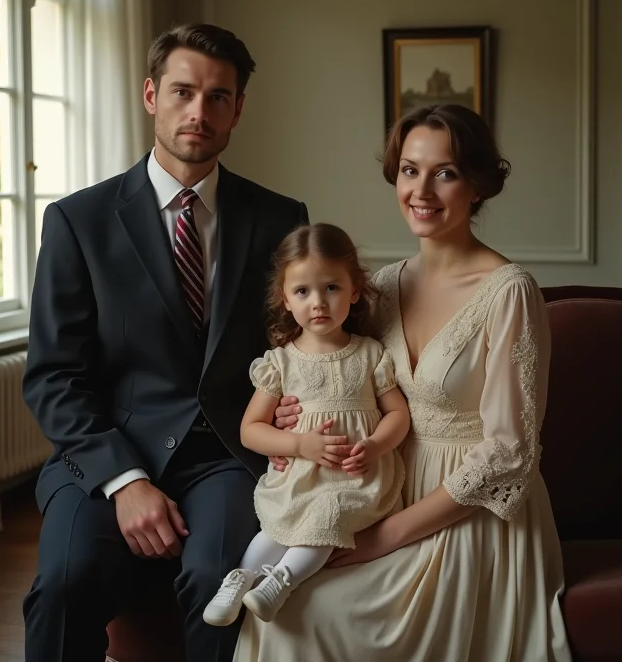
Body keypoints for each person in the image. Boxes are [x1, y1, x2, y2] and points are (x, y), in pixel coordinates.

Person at [236, 104, 572, 661]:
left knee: (312, 610)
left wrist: (389, 537)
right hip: (376, 495)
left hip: (471, 514)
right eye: (411, 170)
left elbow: (510, 453)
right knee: (281, 604)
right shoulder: (380, 288)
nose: (422, 190)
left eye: (446, 172)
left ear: (477, 186)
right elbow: (342, 382)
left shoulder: (509, 290)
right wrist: (292, 431)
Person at [22, 23, 309, 662]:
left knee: (222, 587)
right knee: (64, 585)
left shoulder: (280, 218)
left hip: (225, 457)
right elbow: (52, 376)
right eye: (183, 92)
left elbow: (296, 343)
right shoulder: (77, 221)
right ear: (152, 94)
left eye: (217, 97)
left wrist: (297, 397)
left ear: (238, 108)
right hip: (104, 453)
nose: (198, 113)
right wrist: (124, 480)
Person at [202, 224, 410, 627]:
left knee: (326, 517)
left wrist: (376, 446)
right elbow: (251, 429)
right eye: (303, 292)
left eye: (331, 288)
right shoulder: (280, 362)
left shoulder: (370, 354)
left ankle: (282, 579)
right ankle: (239, 581)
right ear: (285, 299)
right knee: (277, 530)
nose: (318, 303)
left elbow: (398, 414)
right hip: (300, 476)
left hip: (352, 480)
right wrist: (298, 444)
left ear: (354, 291)